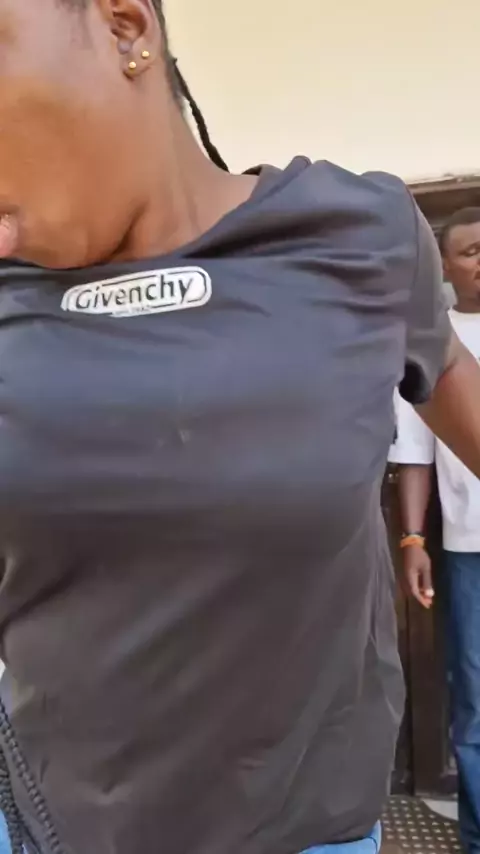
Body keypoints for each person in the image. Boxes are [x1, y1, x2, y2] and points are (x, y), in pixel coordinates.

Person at [1, 2, 480, 853]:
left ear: (123, 27)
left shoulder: (357, 239)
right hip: (52, 824)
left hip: (309, 831)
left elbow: (454, 391)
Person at [390, 206, 480, 854]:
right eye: (472, 251)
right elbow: (415, 452)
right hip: (469, 549)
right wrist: (413, 539)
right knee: (475, 699)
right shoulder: (431, 338)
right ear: (445, 267)